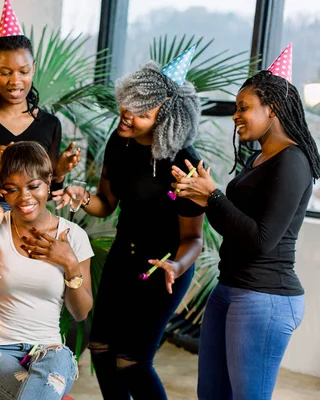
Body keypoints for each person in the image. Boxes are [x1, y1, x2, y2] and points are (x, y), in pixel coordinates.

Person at [54, 47, 205, 399]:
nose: (127, 113)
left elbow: (193, 240)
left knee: (133, 361)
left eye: (141, 110)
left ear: (166, 116)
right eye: (128, 102)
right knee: (103, 348)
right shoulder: (119, 142)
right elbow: (106, 204)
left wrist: (176, 266)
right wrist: (81, 196)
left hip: (163, 269)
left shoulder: (184, 163)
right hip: (125, 256)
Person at [173, 53, 320, 399]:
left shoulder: (293, 162)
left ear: (272, 108)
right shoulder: (258, 157)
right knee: (211, 394)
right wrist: (200, 195)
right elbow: (235, 224)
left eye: (243, 107)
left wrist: (213, 197)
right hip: (230, 289)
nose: (235, 115)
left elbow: (261, 239)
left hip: (265, 297)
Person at [0, 141, 94, 400]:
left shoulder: (74, 236)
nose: (24, 197)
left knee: (43, 382)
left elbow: (80, 313)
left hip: (51, 353)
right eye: (12, 190)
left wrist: (70, 264)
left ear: (49, 182)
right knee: (41, 393)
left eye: (34, 186)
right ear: (2, 191)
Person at [0, 0, 80, 212]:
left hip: (33, 223)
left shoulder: (49, 124)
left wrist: (60, 172)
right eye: (6, 72)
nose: (15, 81)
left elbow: (51, 193)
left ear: (33, 68)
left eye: (23, 72)